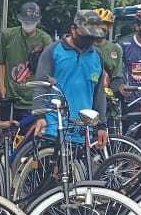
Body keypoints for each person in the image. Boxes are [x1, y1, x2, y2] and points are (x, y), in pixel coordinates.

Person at [27, 11, 109, 148]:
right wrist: (40, 116)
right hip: (54, 125)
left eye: (93, 37)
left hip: (83, 128)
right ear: (73, 29)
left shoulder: (96, 56)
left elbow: (99, 93)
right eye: (86, 35)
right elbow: (41, 85)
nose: (89, 40)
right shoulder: (53, 50)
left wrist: (102, 124)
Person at [0, 2, 52, 123]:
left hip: (34, 98)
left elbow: (50, 68)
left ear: (38, 21)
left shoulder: (45, 39)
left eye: (32, 22)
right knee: (6, 134)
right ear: (20, 19)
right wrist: (2, 87)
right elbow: (0, 62)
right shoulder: (8, 35)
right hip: (11, 96)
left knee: (31, 136)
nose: (28, 24)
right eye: (26, 21)